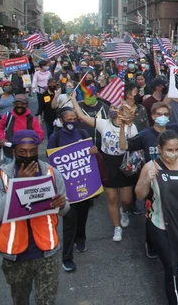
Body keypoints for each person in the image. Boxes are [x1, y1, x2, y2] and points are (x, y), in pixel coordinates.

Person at [0, 130, 69, 305]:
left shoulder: (52, 173)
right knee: (20, 300)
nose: (28, 155)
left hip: (46, 253)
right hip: (15, 255)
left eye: (32, 151)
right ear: (14, 151)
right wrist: (18, 185)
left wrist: (62, 204)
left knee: (46, 301)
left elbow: (64, 209)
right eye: (23, 152)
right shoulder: (0, 177)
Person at [71, 94, 137, 242]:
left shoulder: (131, 127)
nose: (115, 110)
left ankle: (124, 211)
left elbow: (124, 146)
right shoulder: (103, 124)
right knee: (112, 198)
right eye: (112, 107)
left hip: (125, 164)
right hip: (108, 164)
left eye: (117, 107)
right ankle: (116, 227)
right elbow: (81, 115)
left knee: (126, 200)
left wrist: (122, 128)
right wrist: (74, 99)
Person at [135, 130, 178, 304]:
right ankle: (175, 300)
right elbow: (139, 195)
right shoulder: (150, 167)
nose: (174, 153)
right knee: (171, 267)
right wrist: (146, 181)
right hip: (160, 224)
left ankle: (177, 291)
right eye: (169, 150)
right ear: (159, 149)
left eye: (176, 149)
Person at [48, 108, 97, 273]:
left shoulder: (83, 134)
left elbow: (91, 158)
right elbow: (51, 162)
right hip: (65, 190)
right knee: (69, 222)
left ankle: (80, 239)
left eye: (74, 118)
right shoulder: (55, 138)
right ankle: (67, 258)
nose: (71, 122)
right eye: (68, 119)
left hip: (84, 187)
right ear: (62, 121)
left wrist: (93, 152)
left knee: (82, 216)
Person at [0, 94, 45, 164]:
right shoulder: (7, 116)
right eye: (17, 104)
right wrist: (2, 138)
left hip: (26, 154)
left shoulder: (31, 119)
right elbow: (0, 128)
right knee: (10, 172)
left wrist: (32, 143)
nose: (19, 106)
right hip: (10, 151)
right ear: (14, 105)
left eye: (22, 104)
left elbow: (40, 134)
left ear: (26, 105)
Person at [75, 85, 109, 150]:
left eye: (90, 95)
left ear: (96, 95)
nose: (87, 97)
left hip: (101, 146)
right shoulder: (78, 107)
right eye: (85, 95)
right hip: (83, 147)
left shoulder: (105, 107)